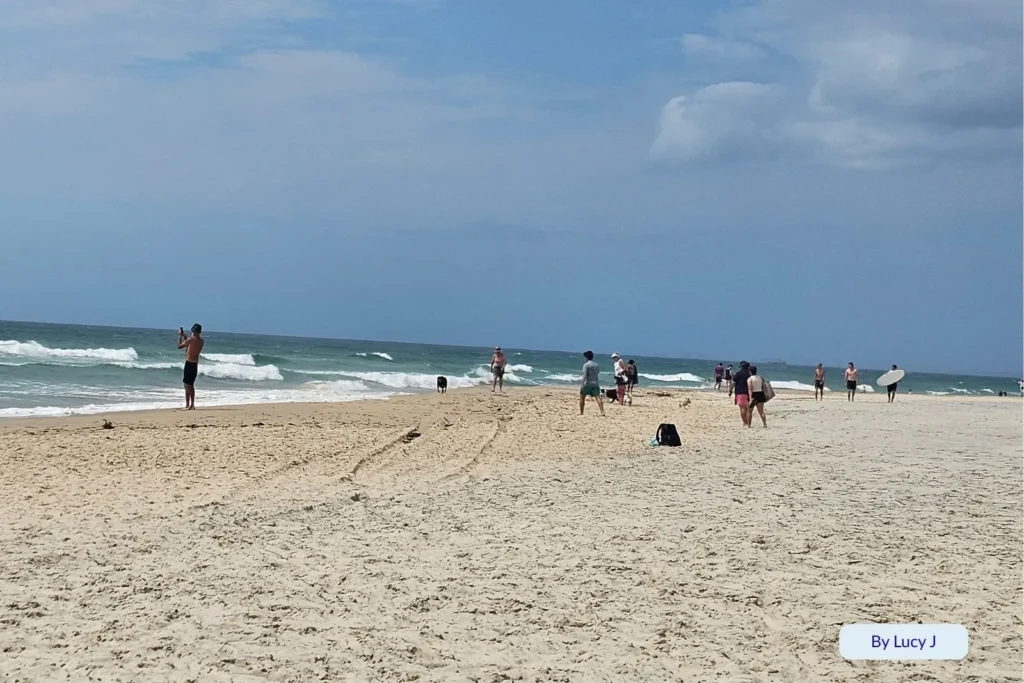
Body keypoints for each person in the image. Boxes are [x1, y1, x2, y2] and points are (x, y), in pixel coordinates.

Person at [177, 323, 204, 410]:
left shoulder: (191, 340)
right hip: (195, 364)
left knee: (187, 385)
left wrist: (180, 336)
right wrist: (185, 336)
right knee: (190, 385)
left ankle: (188, 405)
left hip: (189, 363)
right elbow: (189, 346)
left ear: (193, 331)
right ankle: (191, 404)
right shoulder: (201, 341)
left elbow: (179, 346)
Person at [579, 350, 605, 416]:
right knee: (598, 397)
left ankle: (581, 412)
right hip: (595, 383)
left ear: (586, 357)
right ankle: (602, 411)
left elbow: (585, 375)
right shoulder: (596, 365)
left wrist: (582, 384)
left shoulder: (586, 365)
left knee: (582, 397)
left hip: (587, 383)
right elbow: (597, 373)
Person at [733, 361, 751, 426]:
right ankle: (747, 422)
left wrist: (730, 390)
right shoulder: (749, 374)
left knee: (742, 408)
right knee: (747, 408)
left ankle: (745, 422)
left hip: (740, 392)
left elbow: (733, 382)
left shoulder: (738, 373)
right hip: (749, 392)